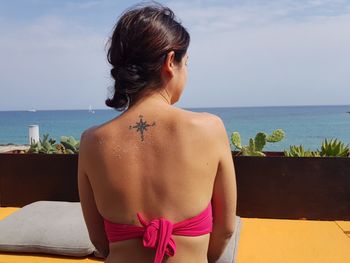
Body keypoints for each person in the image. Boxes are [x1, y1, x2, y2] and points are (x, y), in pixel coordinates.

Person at [78, 3, 237, 263]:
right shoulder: (210, 129)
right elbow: (226, 230)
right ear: (170, 61)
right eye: (186, 63)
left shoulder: (92, 141)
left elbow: (98, 240)